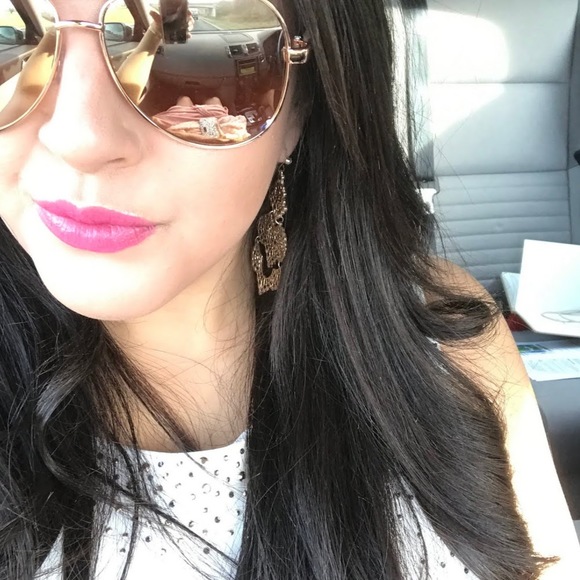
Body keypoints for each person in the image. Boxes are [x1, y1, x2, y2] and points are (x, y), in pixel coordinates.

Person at [0, 0, 578, 579]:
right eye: (11, 35)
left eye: (189, 45)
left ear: (301, 108)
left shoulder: (445, 332)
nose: (79, 138)